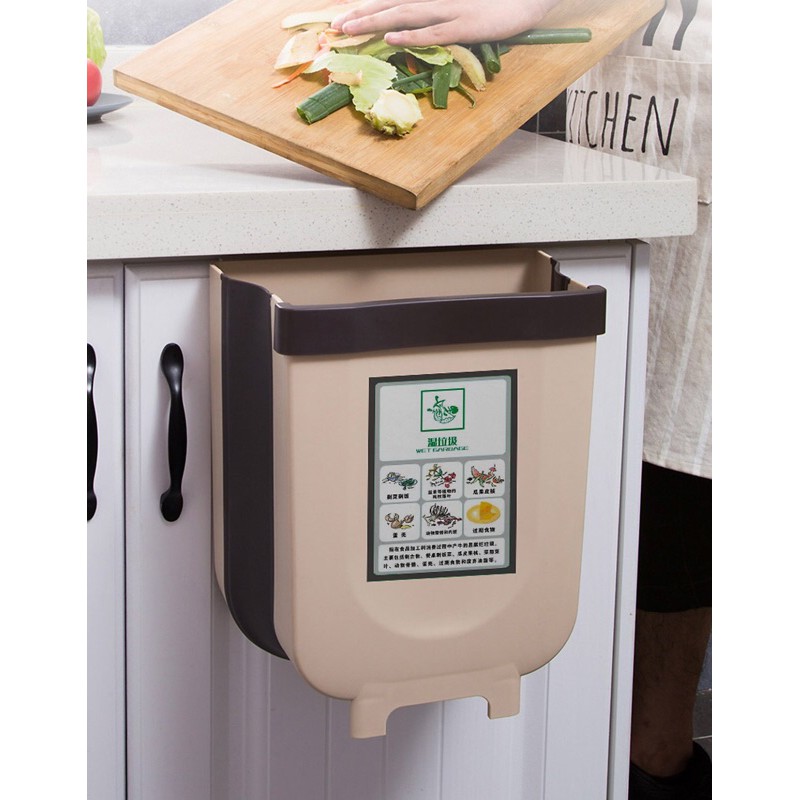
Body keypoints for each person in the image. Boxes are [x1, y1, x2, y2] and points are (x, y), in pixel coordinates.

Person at [333, 3, 712, 799]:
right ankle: (634, 753)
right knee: (610, 482)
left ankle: (656, 756)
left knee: (683, 487)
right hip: (628, 129)